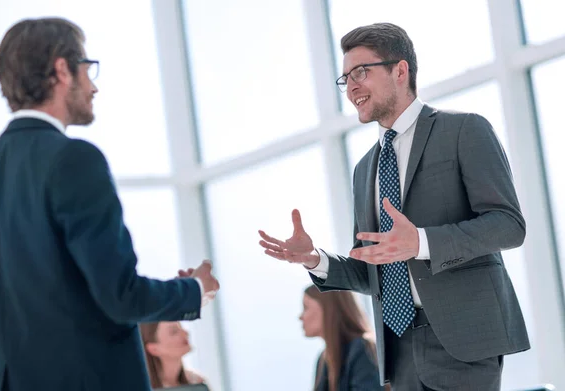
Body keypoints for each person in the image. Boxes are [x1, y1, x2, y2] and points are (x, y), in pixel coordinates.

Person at [259, 22, 529, 391]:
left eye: (361, 72)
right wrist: (314, 259)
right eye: (345, 78)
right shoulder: (364, 168)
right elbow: (374, 270)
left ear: (400, 71)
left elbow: (508, 225)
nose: (351, 86)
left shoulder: (464, 131)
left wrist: (420, 242)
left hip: (464, 343)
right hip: (397, 350)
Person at [0, 17, 219, 391]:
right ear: (62, 70)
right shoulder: (75, 159)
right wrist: (196, 290)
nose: (94, 86)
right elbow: (121, 297)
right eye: (88, 68)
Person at [300, 285, 384, 391]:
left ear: (328, 308)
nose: (300, 317)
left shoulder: (362, 348)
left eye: (305, 307)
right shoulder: (324, 359)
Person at [140, 321, 209, 389]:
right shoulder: (142, 387)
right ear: (154, 349)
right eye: (174, 331)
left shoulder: (197, 381)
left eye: (181, 328)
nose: (186, 333)